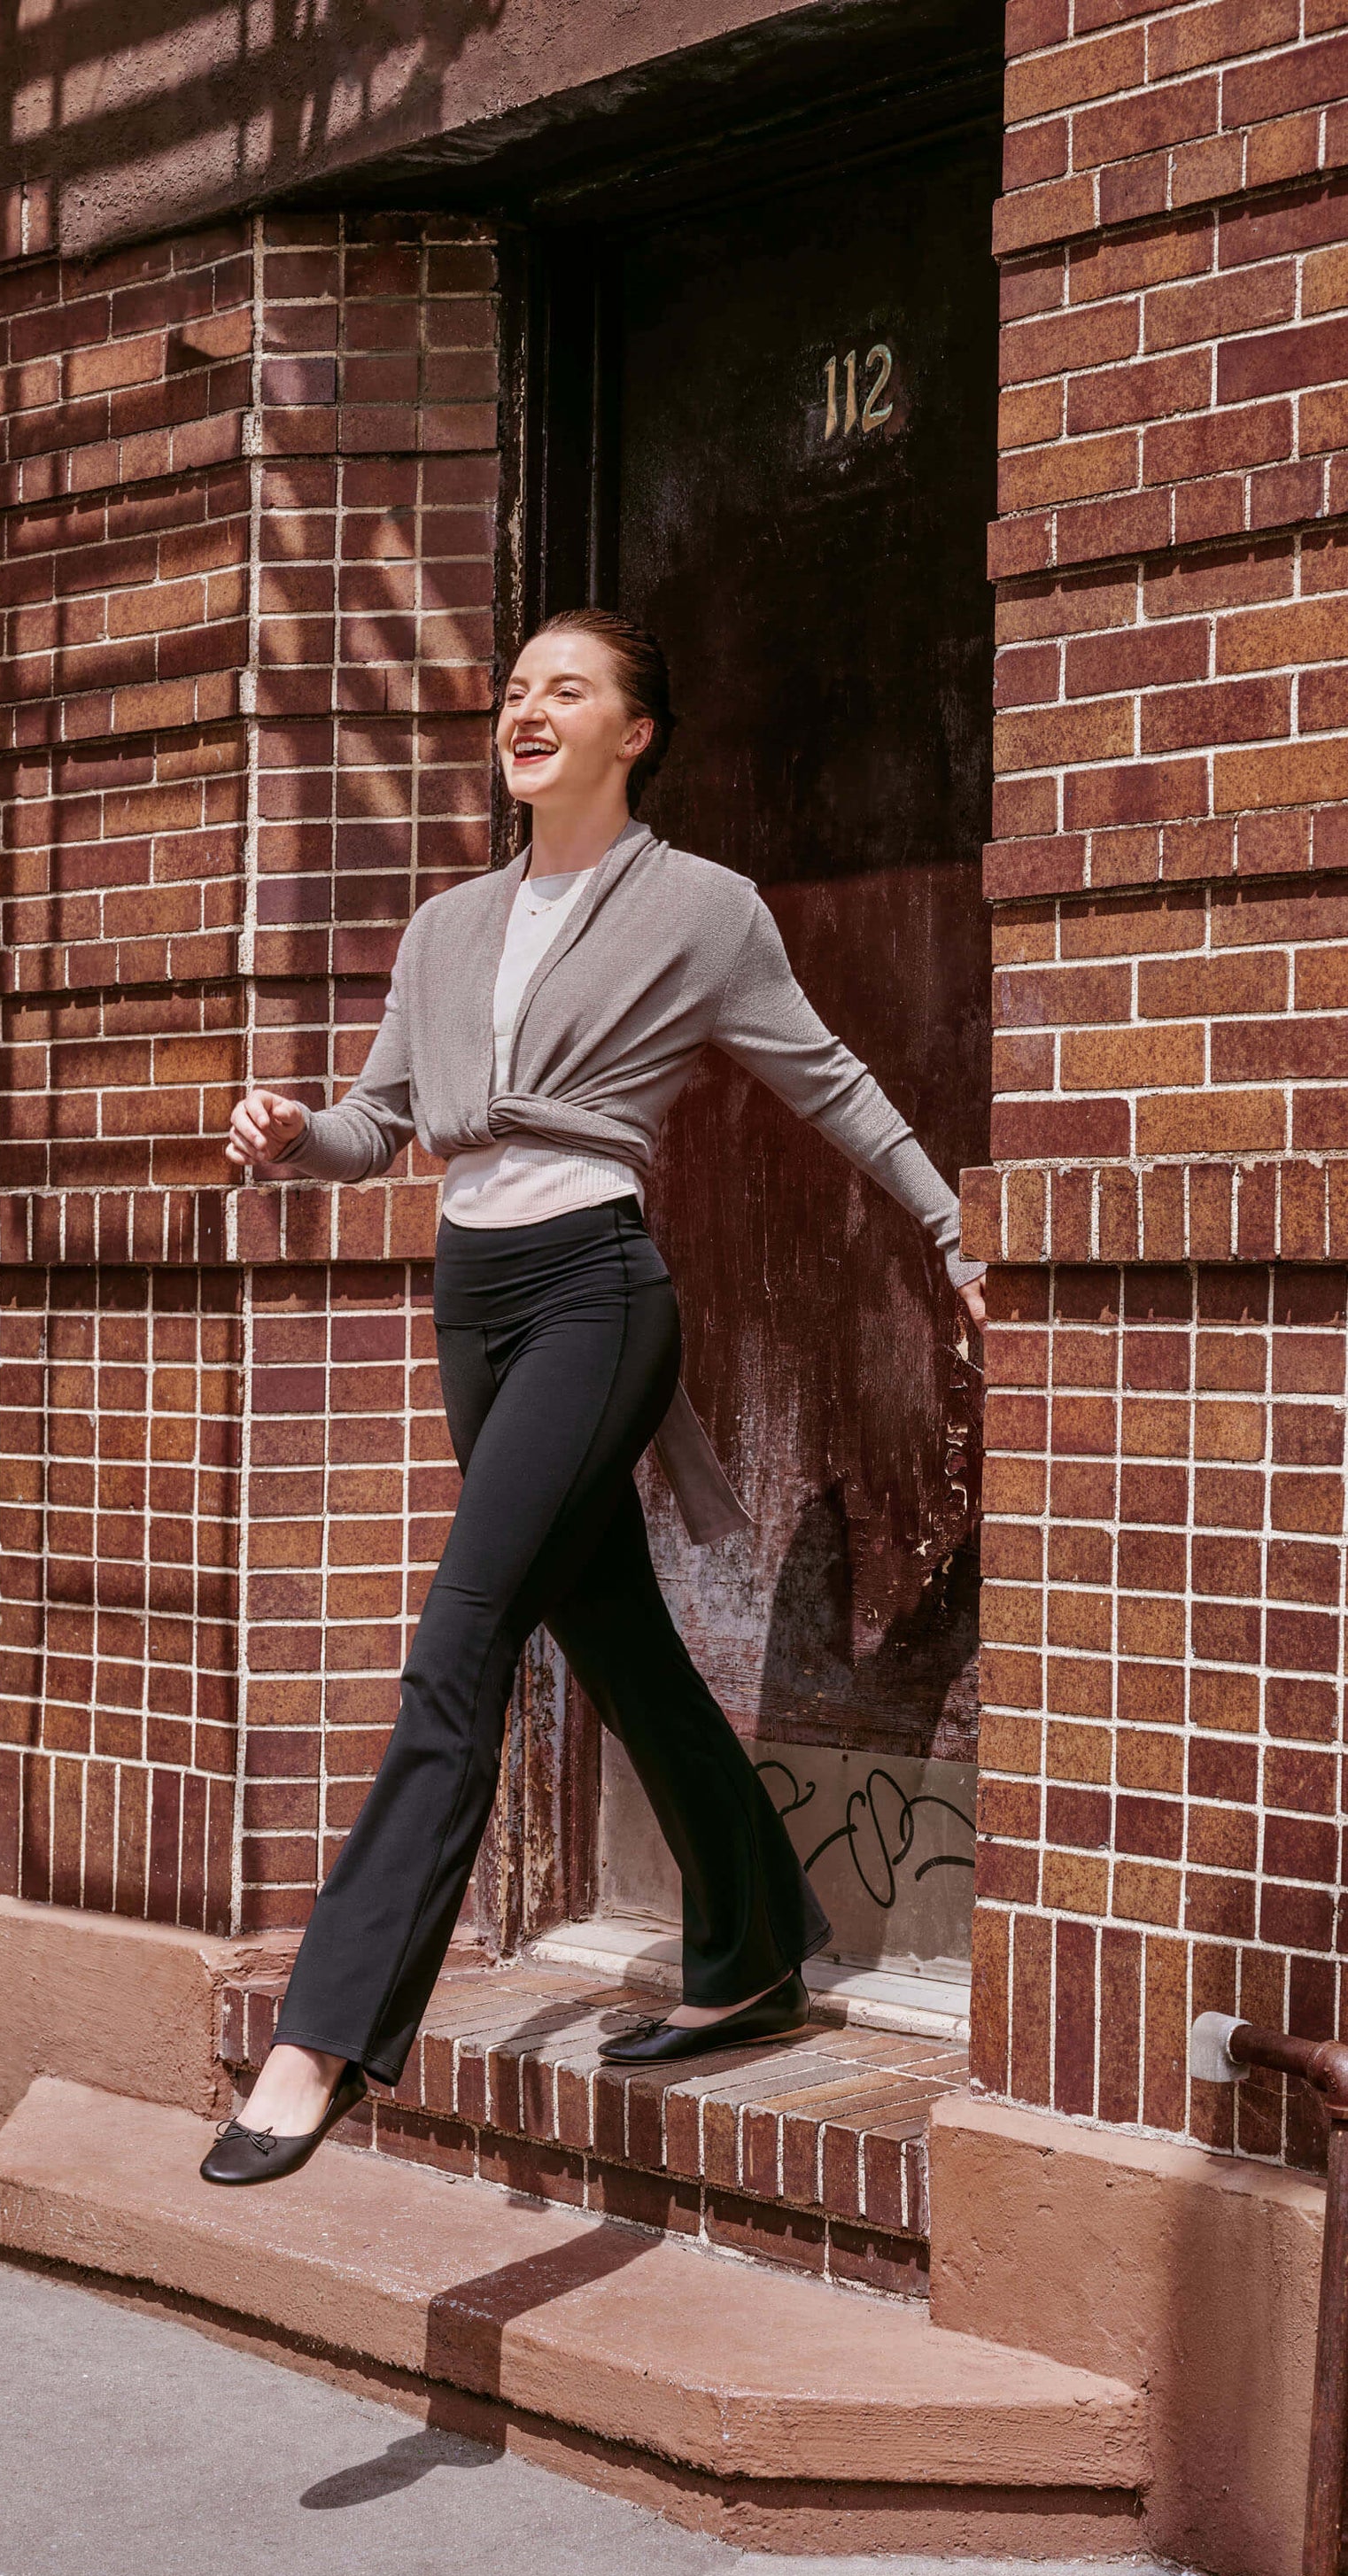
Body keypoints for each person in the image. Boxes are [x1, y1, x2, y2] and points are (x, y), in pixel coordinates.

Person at [204, 609, 988, 2187]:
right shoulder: (445, 925)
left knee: (462, 1640)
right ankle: (758, 1929)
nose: (524, 711)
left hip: (593, 1291)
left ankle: (328, 2028)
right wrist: (297, 1132)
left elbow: (820, 1071)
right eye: (512, 691)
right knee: (613, 1631)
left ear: (634, 732)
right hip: (473, 1293)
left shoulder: (701, 910)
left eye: (564, 690)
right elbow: (385, 1120)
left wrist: (951, 1221)